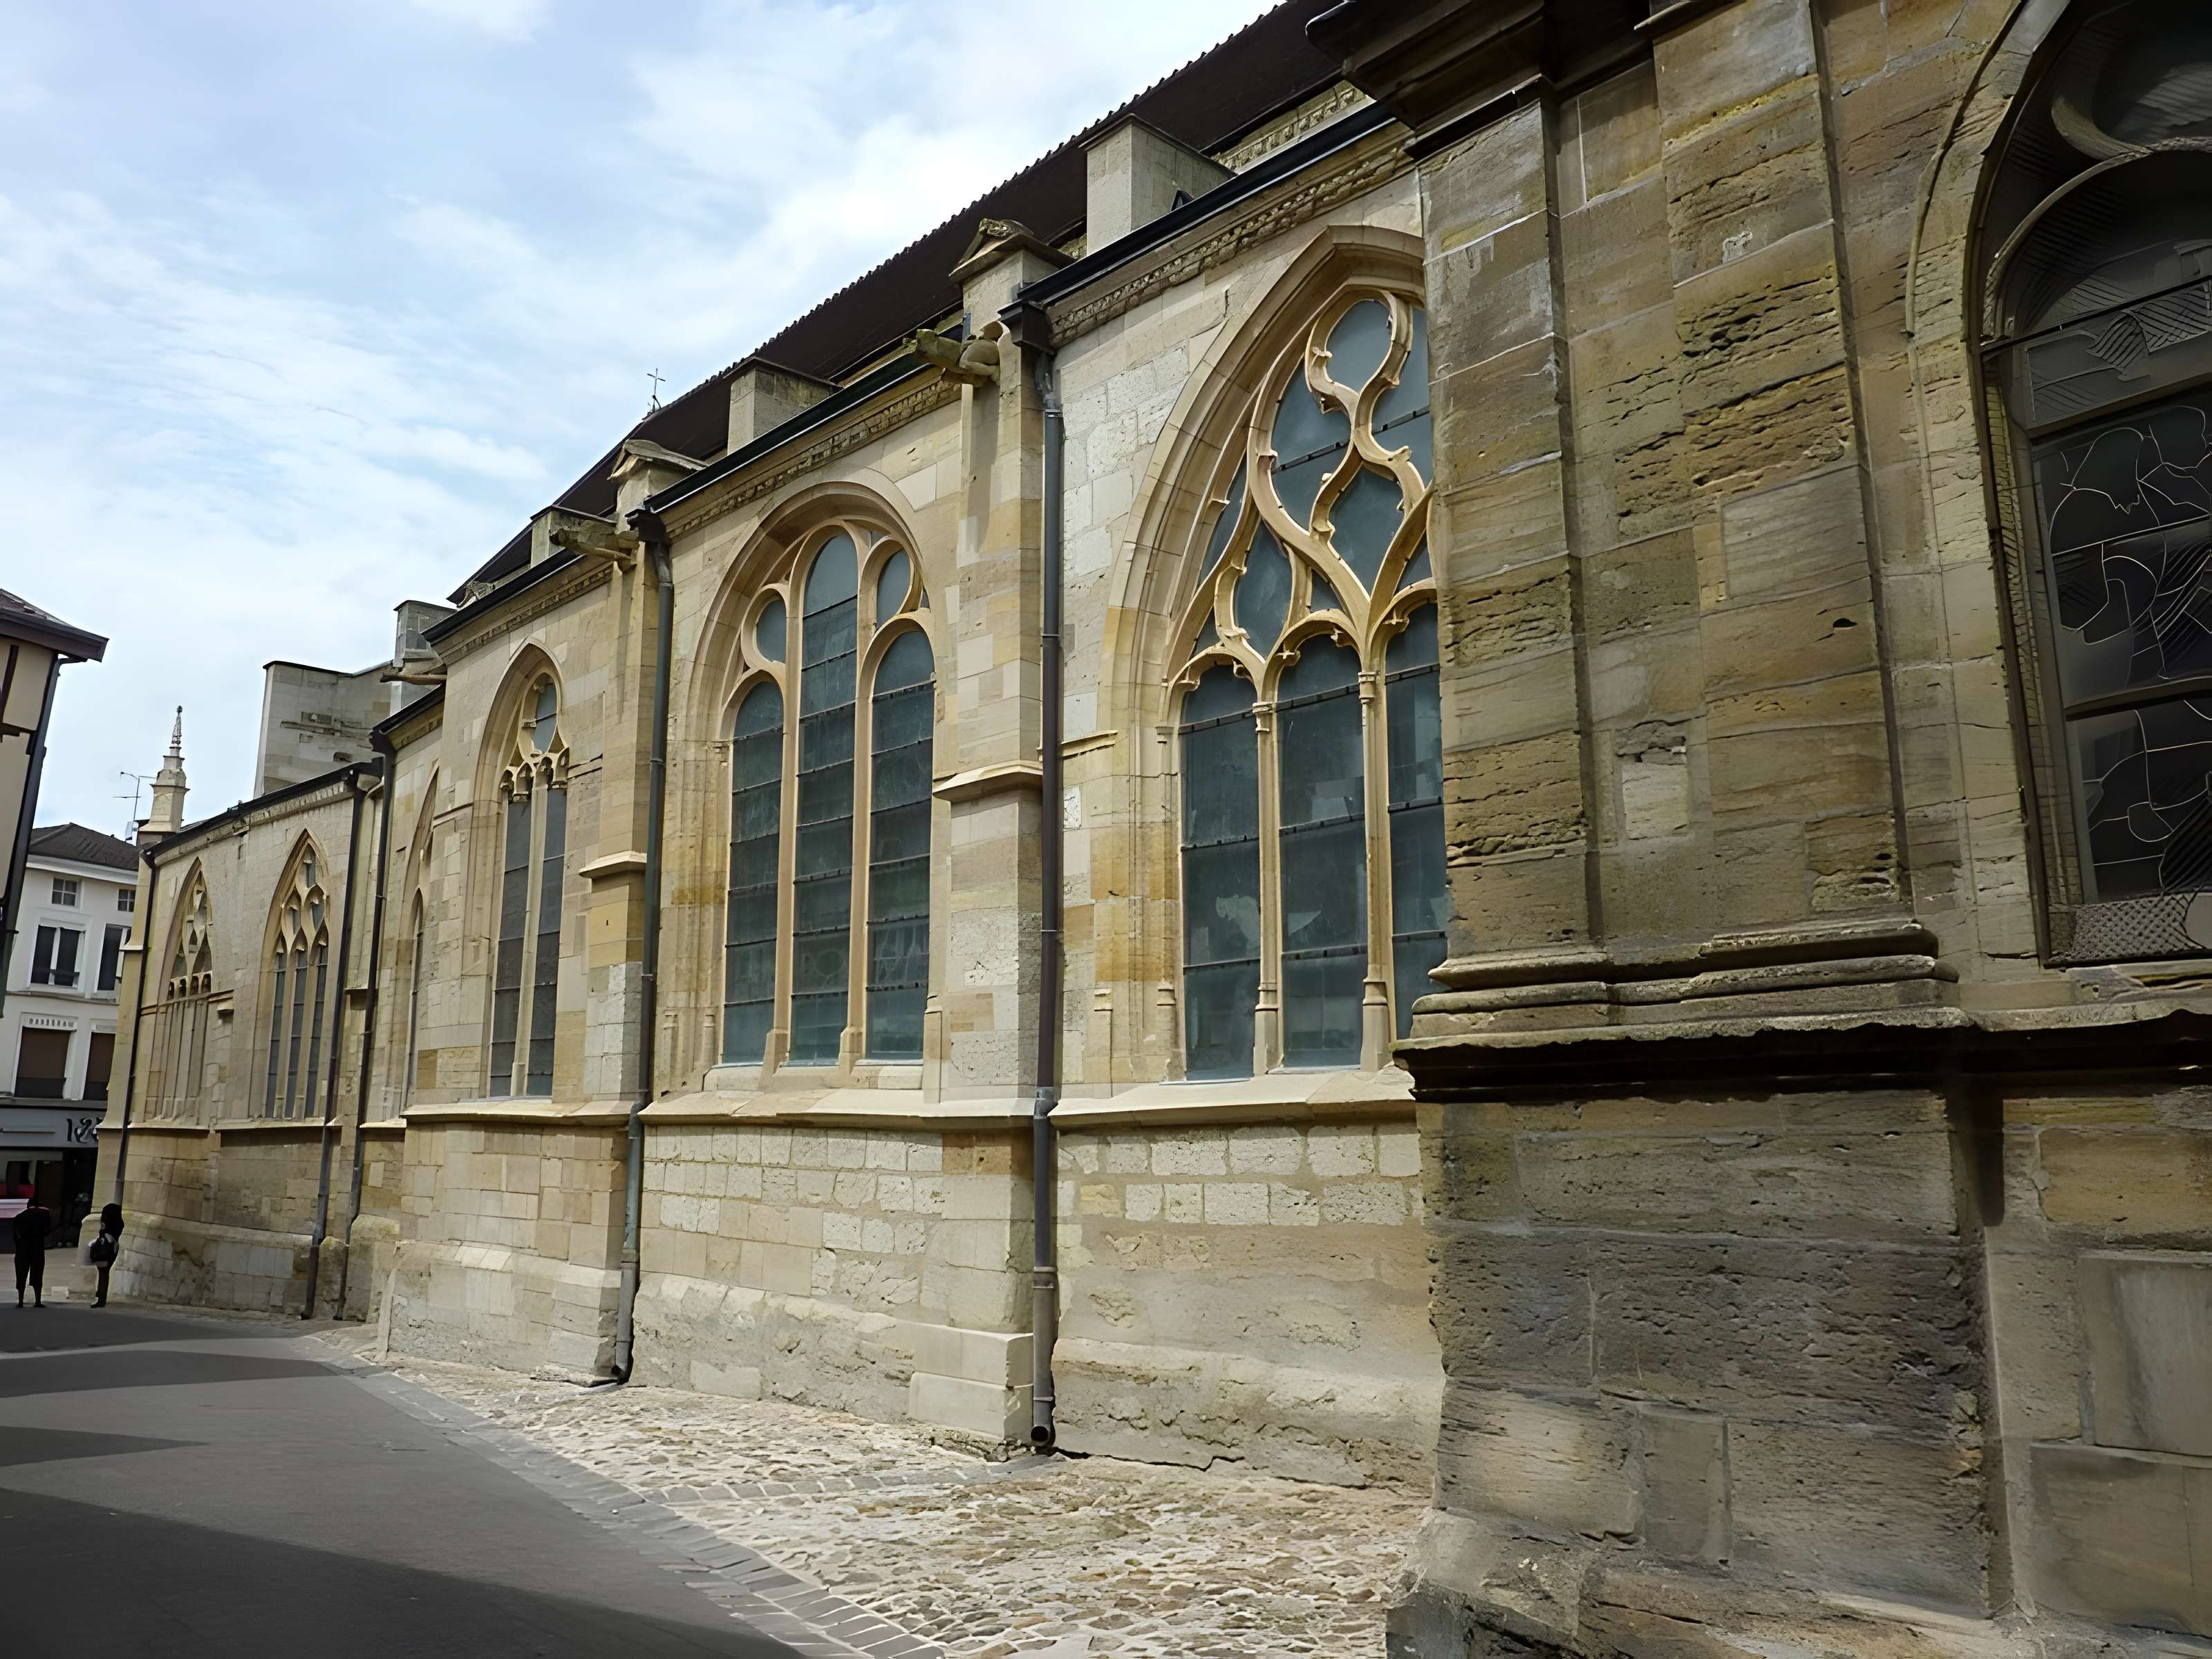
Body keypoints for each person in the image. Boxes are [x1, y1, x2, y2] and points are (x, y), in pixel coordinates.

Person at [12, 1196, 53, 1308]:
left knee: (21, 1274)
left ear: (27, 1206)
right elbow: (47, 1231)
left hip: (22, 1249)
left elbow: (15, 1237)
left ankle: (20, 1301)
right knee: (38, 1274)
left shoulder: (19, 1217)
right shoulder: (44, 1215)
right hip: (37, 1248)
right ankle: (38, 1301)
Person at [88, 1202, 122, 1308]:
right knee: (105, 1273)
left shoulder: (106, 1224)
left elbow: (102, 1232)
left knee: (102, 1272)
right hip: (114, 1247)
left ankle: (100, 1298)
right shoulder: (119, 1224)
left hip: (104, 1248)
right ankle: (102, 1296)